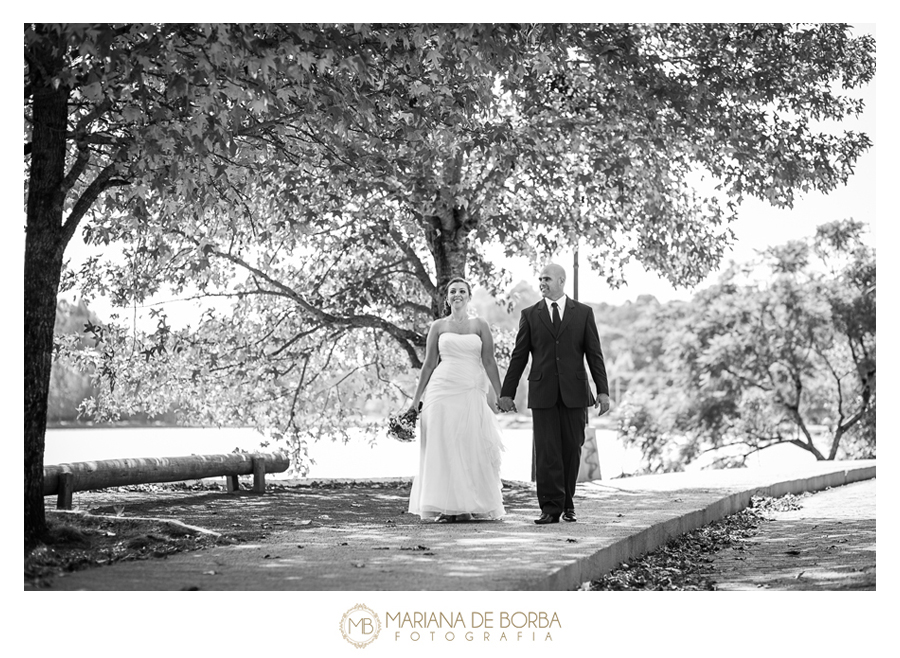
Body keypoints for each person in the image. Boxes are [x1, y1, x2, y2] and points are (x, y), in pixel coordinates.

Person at [499, 263, 610, 524]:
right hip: (543, 392)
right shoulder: (530, 314)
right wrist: (507, 393)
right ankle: (550, 508)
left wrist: (602, 391)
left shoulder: (583, 313)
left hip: (575, 392)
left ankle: (567, 502)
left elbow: (594, 354)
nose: (542, 283)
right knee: (547, 452)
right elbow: (519, 356)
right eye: (540, 279)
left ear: (561, 280)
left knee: (572, 449)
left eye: (547, 279)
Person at [406, 276, 506, 522]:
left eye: (462, 291)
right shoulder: (438, 326)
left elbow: (489, 361)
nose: (457, 294)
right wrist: (415, 401)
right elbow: (429, 364)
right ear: (447, 298)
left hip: (471, 388)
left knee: (469, 444)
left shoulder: (479, 325)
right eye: (453, 291)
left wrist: (502, 394)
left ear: (469, 296)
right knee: (443, 444)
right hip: (441, 390)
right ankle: (447, 507)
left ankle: (469, 505)